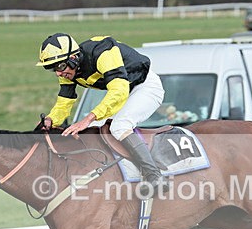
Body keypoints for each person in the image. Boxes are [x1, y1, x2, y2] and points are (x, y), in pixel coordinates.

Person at [36, 33, 168, 194]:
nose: (58, 73)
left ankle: (154, 175)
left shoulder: (102, 52)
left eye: (60, 66)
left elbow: (119, 91)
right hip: (123, 92)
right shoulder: (68, 70)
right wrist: (51, 119)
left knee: (119, 126)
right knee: (91, 130)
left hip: (144, 87)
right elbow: (65, 101)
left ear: (74, 58)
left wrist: (89, 117)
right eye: (53, 68)